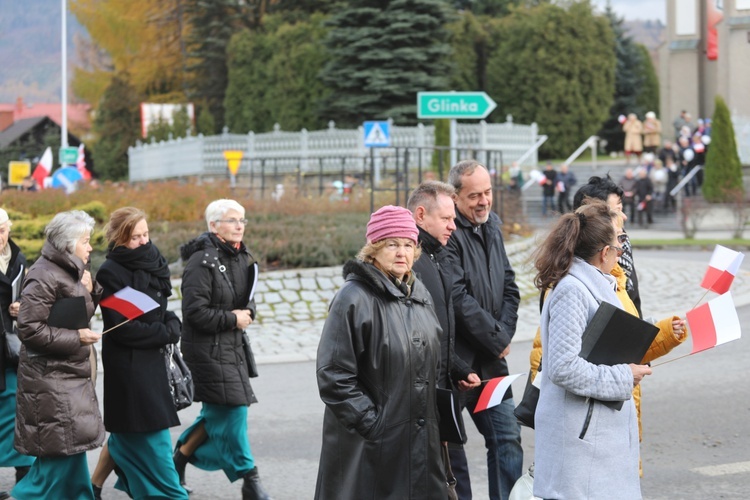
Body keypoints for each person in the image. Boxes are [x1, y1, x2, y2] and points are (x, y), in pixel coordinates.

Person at [315, 205, 445, 499]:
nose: (402, 252)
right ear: (373, 249)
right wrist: (374, 425)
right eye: (392, 244)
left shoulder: (419, 295)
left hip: (418, 440)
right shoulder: (353, 298)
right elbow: (333, 375)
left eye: (409, 245)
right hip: (372, 445)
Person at [531, 201, 654, 499]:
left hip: (593, 440)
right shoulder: (573, 290)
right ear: (603, 252)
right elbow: (562, 367)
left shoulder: (596, 285)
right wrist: (624, 376)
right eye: (617, 244)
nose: (621, 251)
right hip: (579, 446)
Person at [175, 199, 270, 500]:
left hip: (233, 348)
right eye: (231, 220)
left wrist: (248, 313)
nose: (239, 225)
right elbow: (193, 313)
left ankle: (176, 460)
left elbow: (248, 298)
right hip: (205, 351)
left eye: (242, 219)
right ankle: (250, 479)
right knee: (233, 413)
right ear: (213, 226)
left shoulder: (244, 258)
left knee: (218, 413)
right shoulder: (200, 262)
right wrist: (233, 318)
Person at [92, 207, 187, 499]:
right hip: (129, 365)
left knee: (125, 434)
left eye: (146, 234)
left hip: (152, 359)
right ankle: (171, 493)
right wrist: (167, 331)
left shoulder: (152, 259)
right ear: (120, 238)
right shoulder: (110, 272)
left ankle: (92, 487)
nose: (144, 241)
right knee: (151, 433)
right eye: (136, 237)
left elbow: (158, 308)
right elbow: (124, 329)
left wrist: (171, 322)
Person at [13, 210, 104, 499]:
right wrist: (76, 337)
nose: (90, 247)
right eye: (86, 241)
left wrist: (94, 291)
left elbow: (77, 313)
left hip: (67, 379)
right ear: (68, 244)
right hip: (50, 381)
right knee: (58, 465)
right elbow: (29, 330)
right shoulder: (43, 275)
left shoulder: (73, 270)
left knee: (70, 457)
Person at [445, 160, 522, 500]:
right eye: (474, 195)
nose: (484, 201)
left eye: (488, 192)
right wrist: (496, 339)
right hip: (455, 364)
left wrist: (501, 337)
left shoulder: (492, 225)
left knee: (507, 439)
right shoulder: (447, 234)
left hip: (492, 363)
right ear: (455, 197)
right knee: (450, 452)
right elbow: (456, 297)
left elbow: (509, 285)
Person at [407, 182, 481, 500]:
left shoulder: (437, 256)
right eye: (447, 218)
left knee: (445, 475)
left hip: (439, 387)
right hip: (418, 397)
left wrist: (458, 368)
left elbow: (440, 330)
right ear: (421, 215)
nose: (454, 225)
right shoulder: (411, 262)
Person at [0, 210, 34, 499]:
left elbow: (30, 296)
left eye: (2, 230)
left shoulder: (19, 260)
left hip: (11, 347)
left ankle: (24, 478)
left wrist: (22, 305)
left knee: (18, 411)